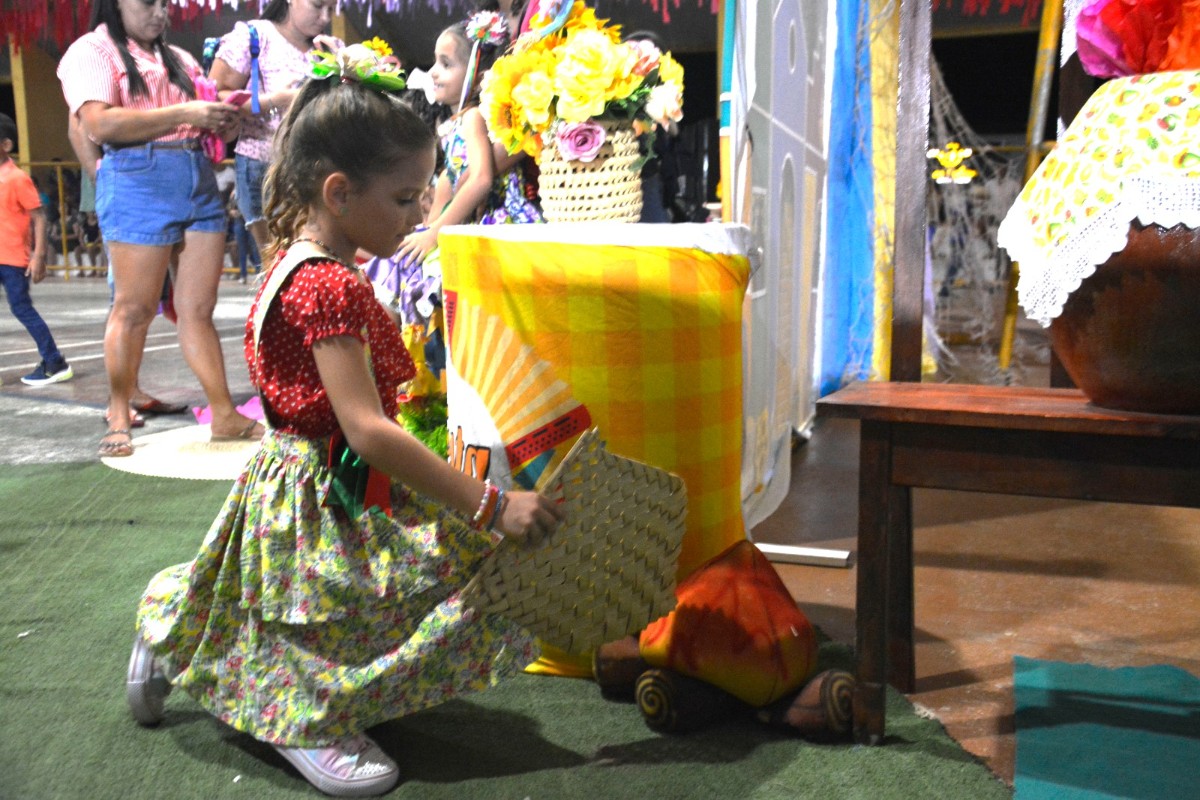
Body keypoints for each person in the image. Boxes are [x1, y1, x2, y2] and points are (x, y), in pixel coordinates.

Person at [126, 56, 565, 798]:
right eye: (402, 198)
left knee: (320, 602)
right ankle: (310, 719)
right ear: (339, 191)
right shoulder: (328, 281)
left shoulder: (300, 256)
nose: (419, 215)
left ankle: (169, 624)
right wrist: (488, 504)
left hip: (308, 474)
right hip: (322, 484)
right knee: (324, 615)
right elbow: (364, 430)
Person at [57, 0, 261, 457]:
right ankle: (117, 411)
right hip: (138, 178)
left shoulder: (181, 59)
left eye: (165, 4)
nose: (161, 12)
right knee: (133, 309)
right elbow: (98, 122)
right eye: (147, 3)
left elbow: (204, 127)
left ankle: (224, 414)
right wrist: (187, 113)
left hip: (195, 176)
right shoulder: (92, 50)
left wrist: (223, 120)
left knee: (197, 309)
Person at [208, 0, 341, 258]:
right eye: (317, 6)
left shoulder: (327, 47)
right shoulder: (255, 37)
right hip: (263, 165)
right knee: (277, 262)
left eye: (331, 9)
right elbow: (213, 96)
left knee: (314, 260)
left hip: (316, 167)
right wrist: (274, 100)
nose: (324, 17)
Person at [0, 113, 74, 387]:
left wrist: (39, 254)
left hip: (12, 259)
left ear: (6, 145)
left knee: (21, 308)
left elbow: (39, 216)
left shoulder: (17, 178)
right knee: (21, 308)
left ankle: (54, 362)